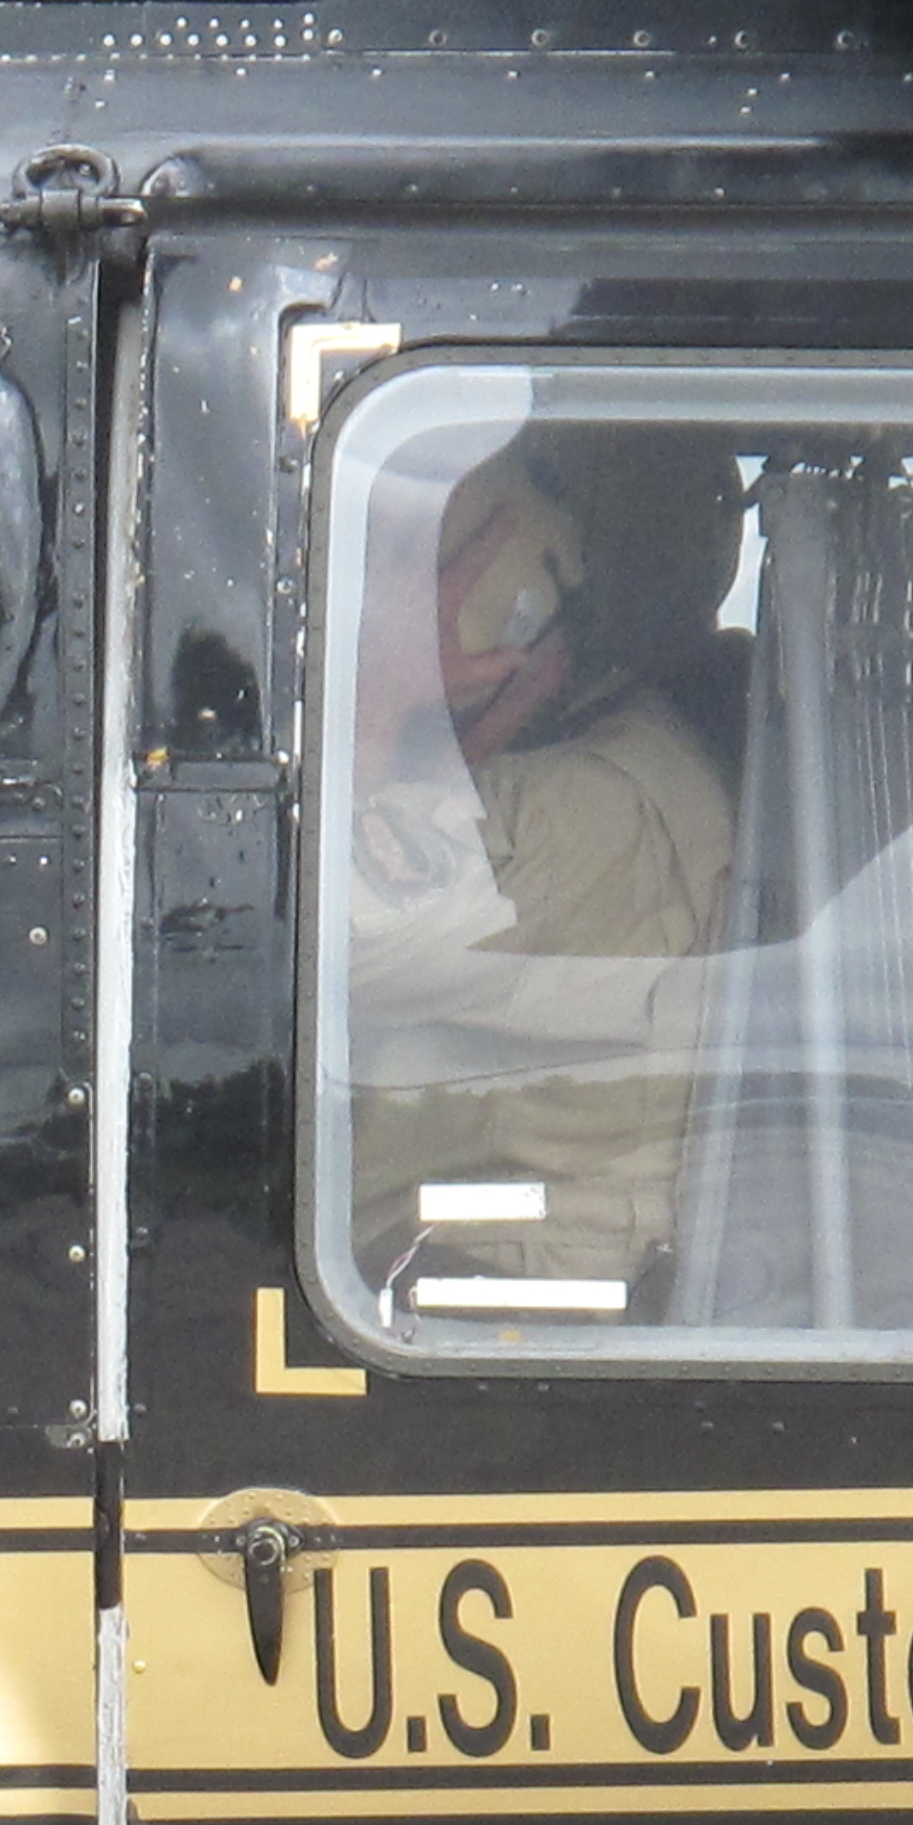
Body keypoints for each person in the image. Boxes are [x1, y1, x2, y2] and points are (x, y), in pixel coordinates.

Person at [341, 434, 745, 1304]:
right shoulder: (625, 765)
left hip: (485, 1311)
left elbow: (270, 947)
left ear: (517, 632)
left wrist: (376, 710)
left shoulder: (587, 810)